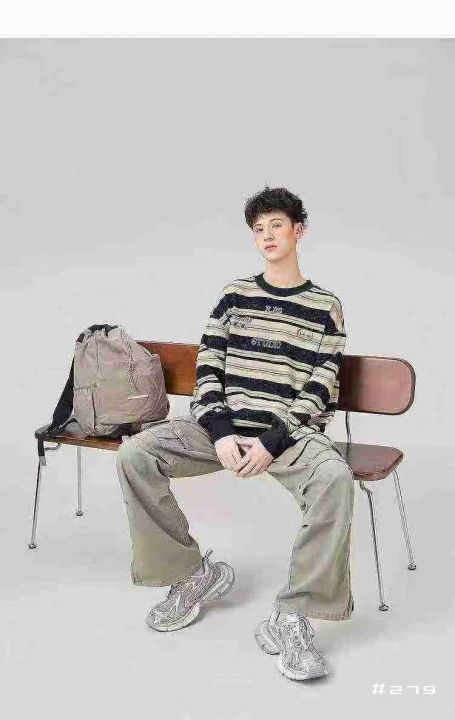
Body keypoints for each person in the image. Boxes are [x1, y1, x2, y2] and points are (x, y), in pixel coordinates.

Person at [116, 185, 355, 682]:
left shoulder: (326, 306)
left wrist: (272, 441)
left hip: (286, 435)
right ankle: (192, 574)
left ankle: (293, 616)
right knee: (136, 454)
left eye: (277, 226)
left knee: (335, 479)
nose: (267, 235)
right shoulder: (234, 295)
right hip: (218, 430)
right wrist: (221, 432)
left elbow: (320, 386)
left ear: (299, 231)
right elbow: (208, 369)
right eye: (258, 229)